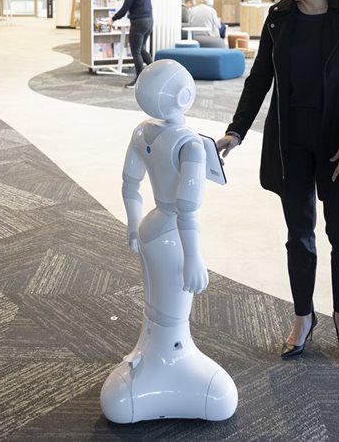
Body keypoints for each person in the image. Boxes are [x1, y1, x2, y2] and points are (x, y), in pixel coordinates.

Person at [216, 0, 339, 360]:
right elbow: (259, 79)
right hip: (292, 142)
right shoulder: (278, 18)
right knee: (299, 235)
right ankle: (303, 315)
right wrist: (237, 130)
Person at [100, 60, 237, 423]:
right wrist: (193, 257)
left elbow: (130, 184)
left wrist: (132, 225)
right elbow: (188, 209)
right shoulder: (190, 144)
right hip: (174, 235)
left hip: (149, 228)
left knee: (157, 305)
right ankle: (168, 358)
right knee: (171, 310)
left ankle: (160, 355)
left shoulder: (142, 131)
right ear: (185, 95)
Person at [110, 0, 153, 88]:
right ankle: (154, 73)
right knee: (142, 49)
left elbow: (124, 10)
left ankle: (139, 81)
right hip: (149, 22)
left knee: (136, 52)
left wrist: (112, 19)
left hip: (138, 24)